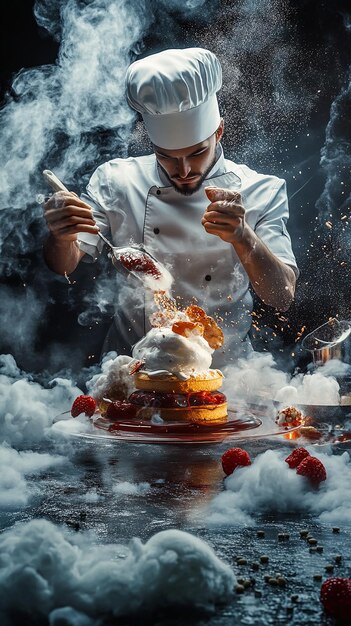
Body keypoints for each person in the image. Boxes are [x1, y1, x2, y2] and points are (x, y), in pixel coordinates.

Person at [43, 47, 298, 367]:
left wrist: (243, 236)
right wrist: (62, 235)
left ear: (218, 132)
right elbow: (63, 264)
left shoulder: (261, 189)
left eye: (195, 153)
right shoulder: (116, 180)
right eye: (167, 155)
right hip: (134, 374)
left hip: (227, 379)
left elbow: (281, 296)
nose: (184, 170)